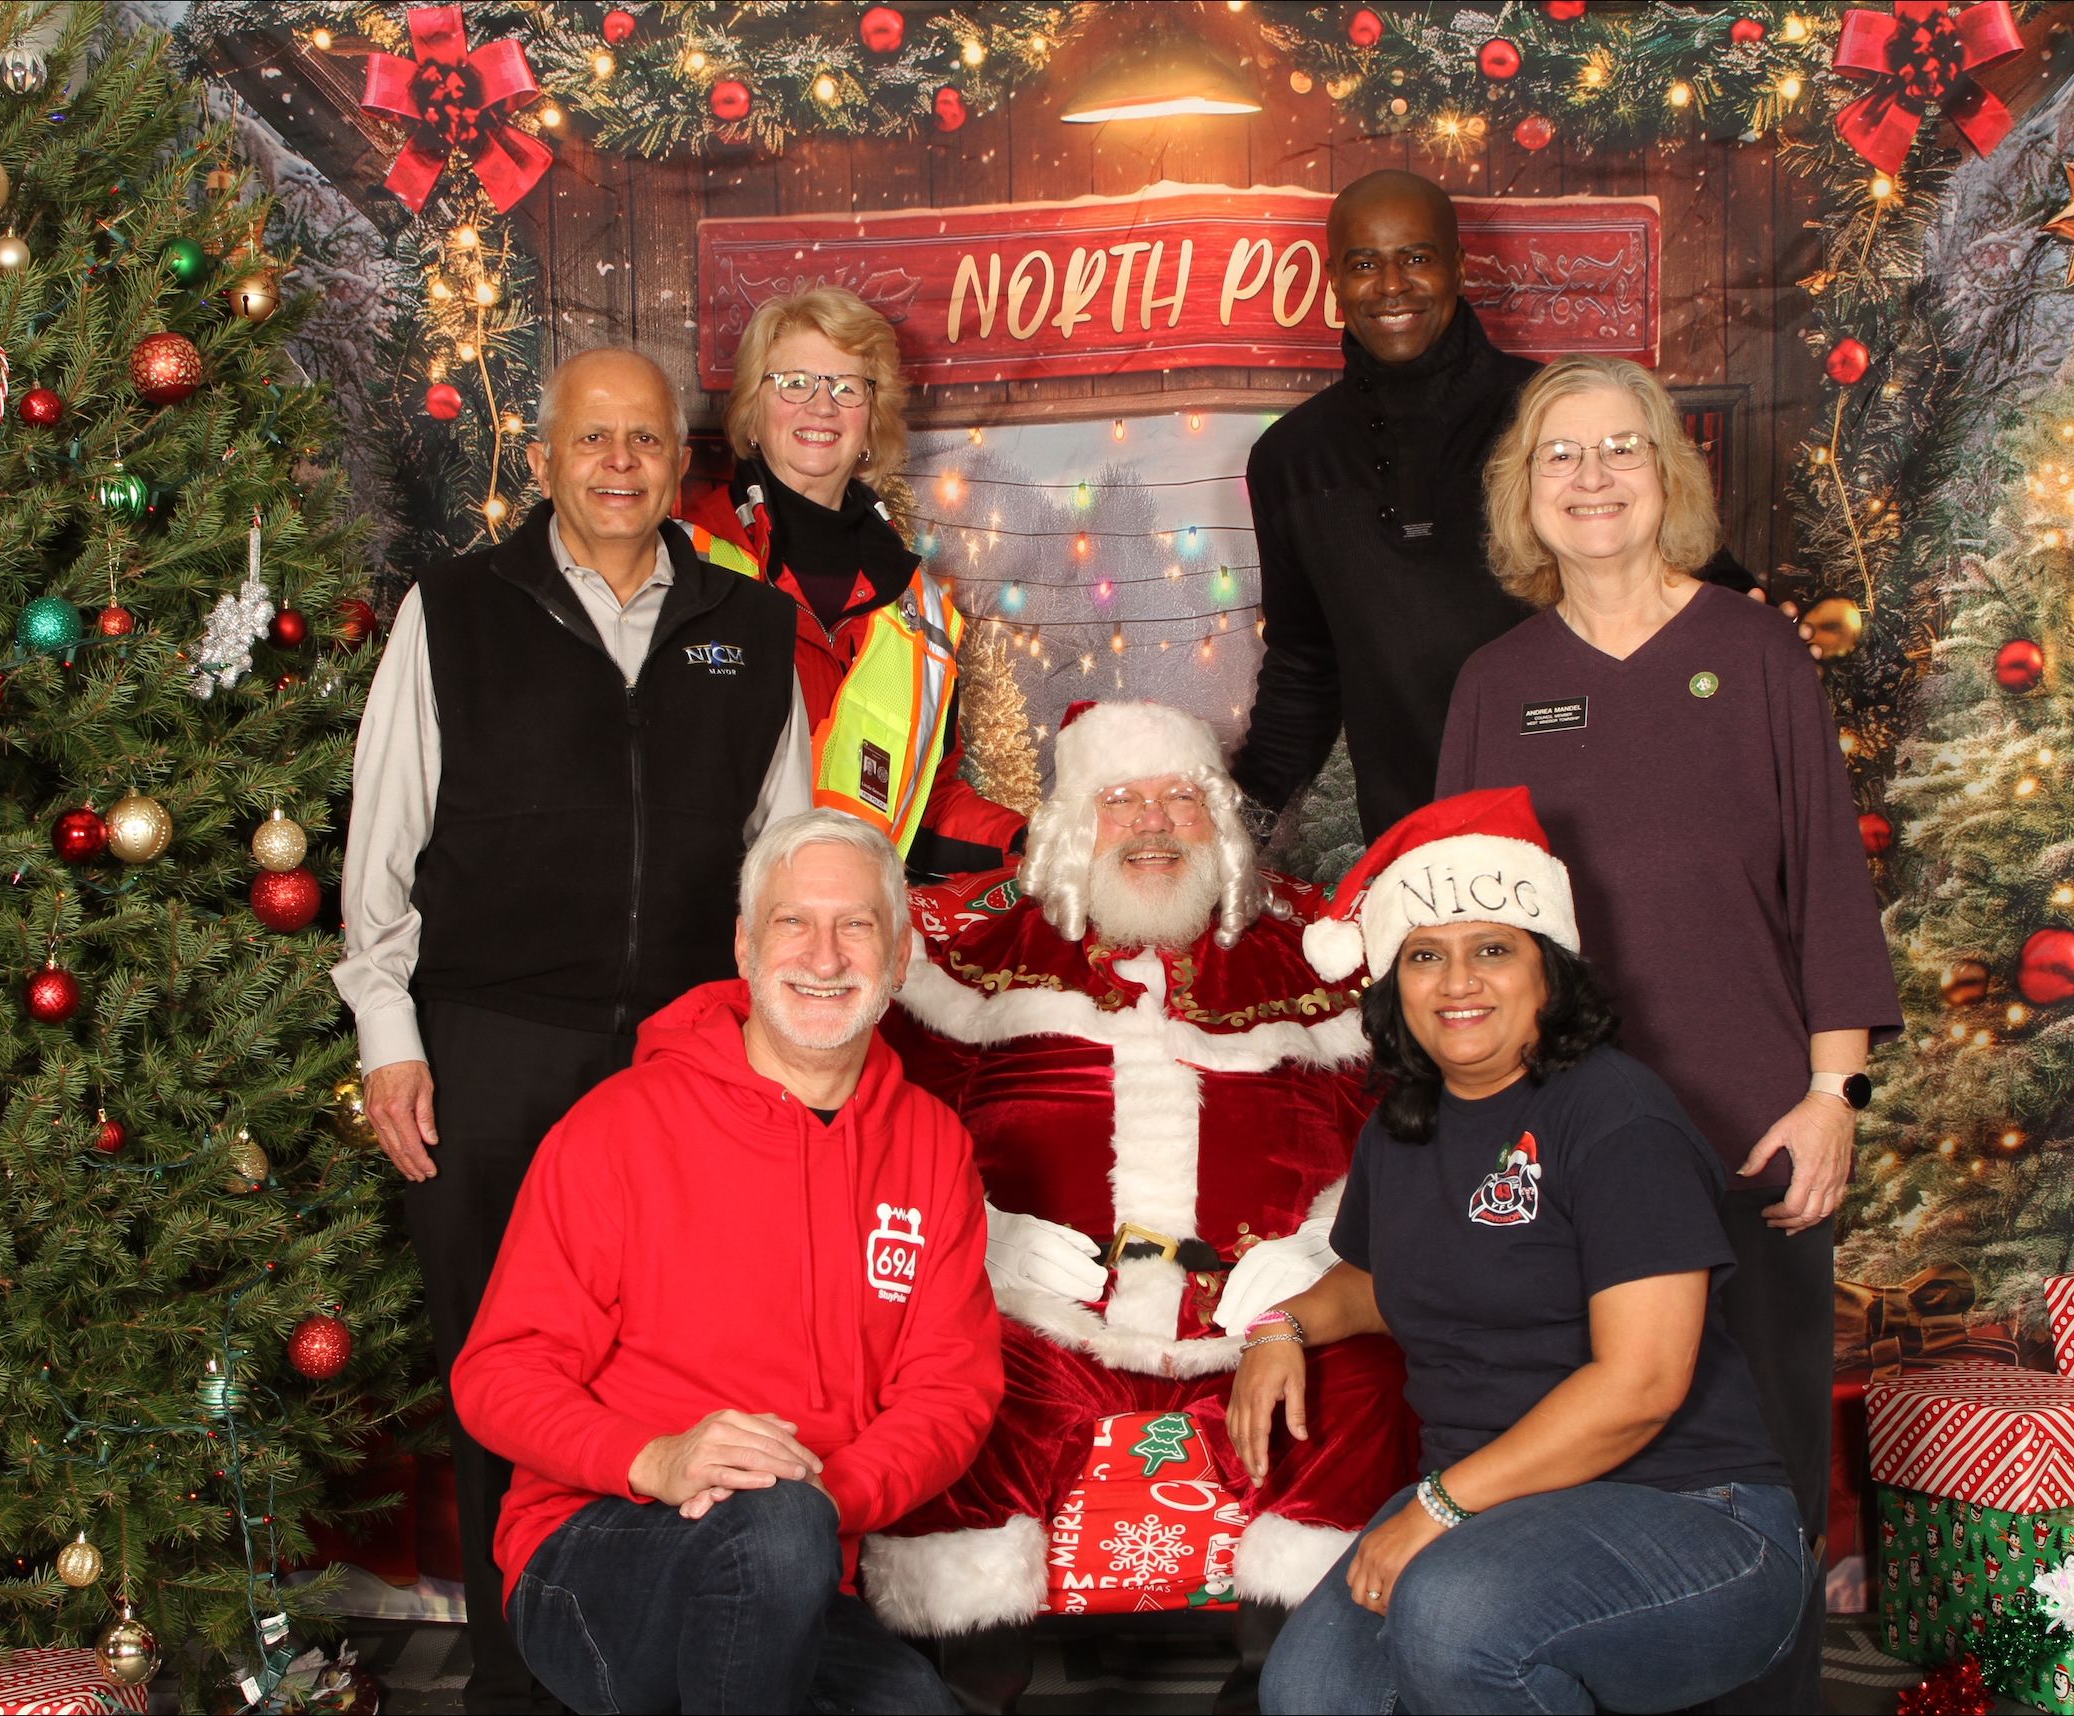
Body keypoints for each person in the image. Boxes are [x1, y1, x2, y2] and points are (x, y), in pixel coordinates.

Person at [333, 347, 813, 1706]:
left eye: (646, 441)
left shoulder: (742, 624)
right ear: (541, 460)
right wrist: (390, 1036)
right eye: (590, 439)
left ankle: (673, 1661)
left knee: (682, 1362)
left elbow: (781, 859)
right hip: (489, 1050)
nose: (618, 464)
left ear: (680, 464)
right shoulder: (457, 610)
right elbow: (381, 849)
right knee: (502, 1373)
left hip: (679, 1057)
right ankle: (520, 1680)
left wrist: (767, 1045)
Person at [1433, 355, 1903, 1711]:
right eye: (1560, 456)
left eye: (1620, 449)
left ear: (1668, 474)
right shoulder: (1496, 683)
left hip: (1755, 1139)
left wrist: (1834, 1098)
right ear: (1525, 492)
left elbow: (1828, 881)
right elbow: (1462, 939)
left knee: (1753, 1484)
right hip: (1562, 1158)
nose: (1591, 479)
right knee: (1579, 1468)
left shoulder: (1754, 653)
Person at [864, 701, 1413, 1704]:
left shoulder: (1310, 957)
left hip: (1260, 1327)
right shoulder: (973, 954)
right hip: (1032, 1321)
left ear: (1217, 820)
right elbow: (876, 1135)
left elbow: (1399, 1130)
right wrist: (976, 1240)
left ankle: (1289, 1676)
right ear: (1074, 820)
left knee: (1361, 1386)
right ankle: (962, 1682)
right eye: (1119, 800)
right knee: (946, 1395)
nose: (1153, 825)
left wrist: (1324, 1248)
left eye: (1179, 798)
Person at [1245, 785, 1810, 1714]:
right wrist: (1280, 1325)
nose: (1457, 982)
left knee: (1454, 1619)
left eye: (1492, 950)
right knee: (1309, 1694)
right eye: (1425, 956)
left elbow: (1641, 1387)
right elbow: (1386, 1287)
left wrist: (1435, 1509)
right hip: (1488, 1505)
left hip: (1692, 1513)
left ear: (1548, 970)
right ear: (1394, 982)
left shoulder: (1616, 1116)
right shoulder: (1403, 1125)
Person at [453, 810, 1002, 1714]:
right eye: (793, 923)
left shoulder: (930, 1145)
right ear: (746, 949)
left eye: (855, 926)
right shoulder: (618, 1126)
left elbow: (950, 1389)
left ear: (899, 958)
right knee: (775, 1532)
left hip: (805, 1559)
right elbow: (499, 1374)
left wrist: (833, 1495)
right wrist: (653, 1459)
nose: (823, 958)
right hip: (594, 1549)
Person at [1232, 170, 1754, 844]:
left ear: (1458, 265)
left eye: (1416, 258)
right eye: (1365, 264)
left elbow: (1687, 574)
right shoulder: (1291, 459)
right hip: (1420, 849)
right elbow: (1303, 665)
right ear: (1333, 278)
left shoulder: (1549, 412)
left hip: (1596, 823)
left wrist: (1760, 624)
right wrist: (1234, 827)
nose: (1391, 286)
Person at [685, 285, 1028, 877]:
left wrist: (1029, 844)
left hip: (851, 935)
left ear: (872, 420)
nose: (821, 406)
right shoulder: (682, 558)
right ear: (752, 412)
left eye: (847, 387)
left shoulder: (924, 612)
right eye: (794, 382)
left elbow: (926, 803)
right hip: (708, 931)